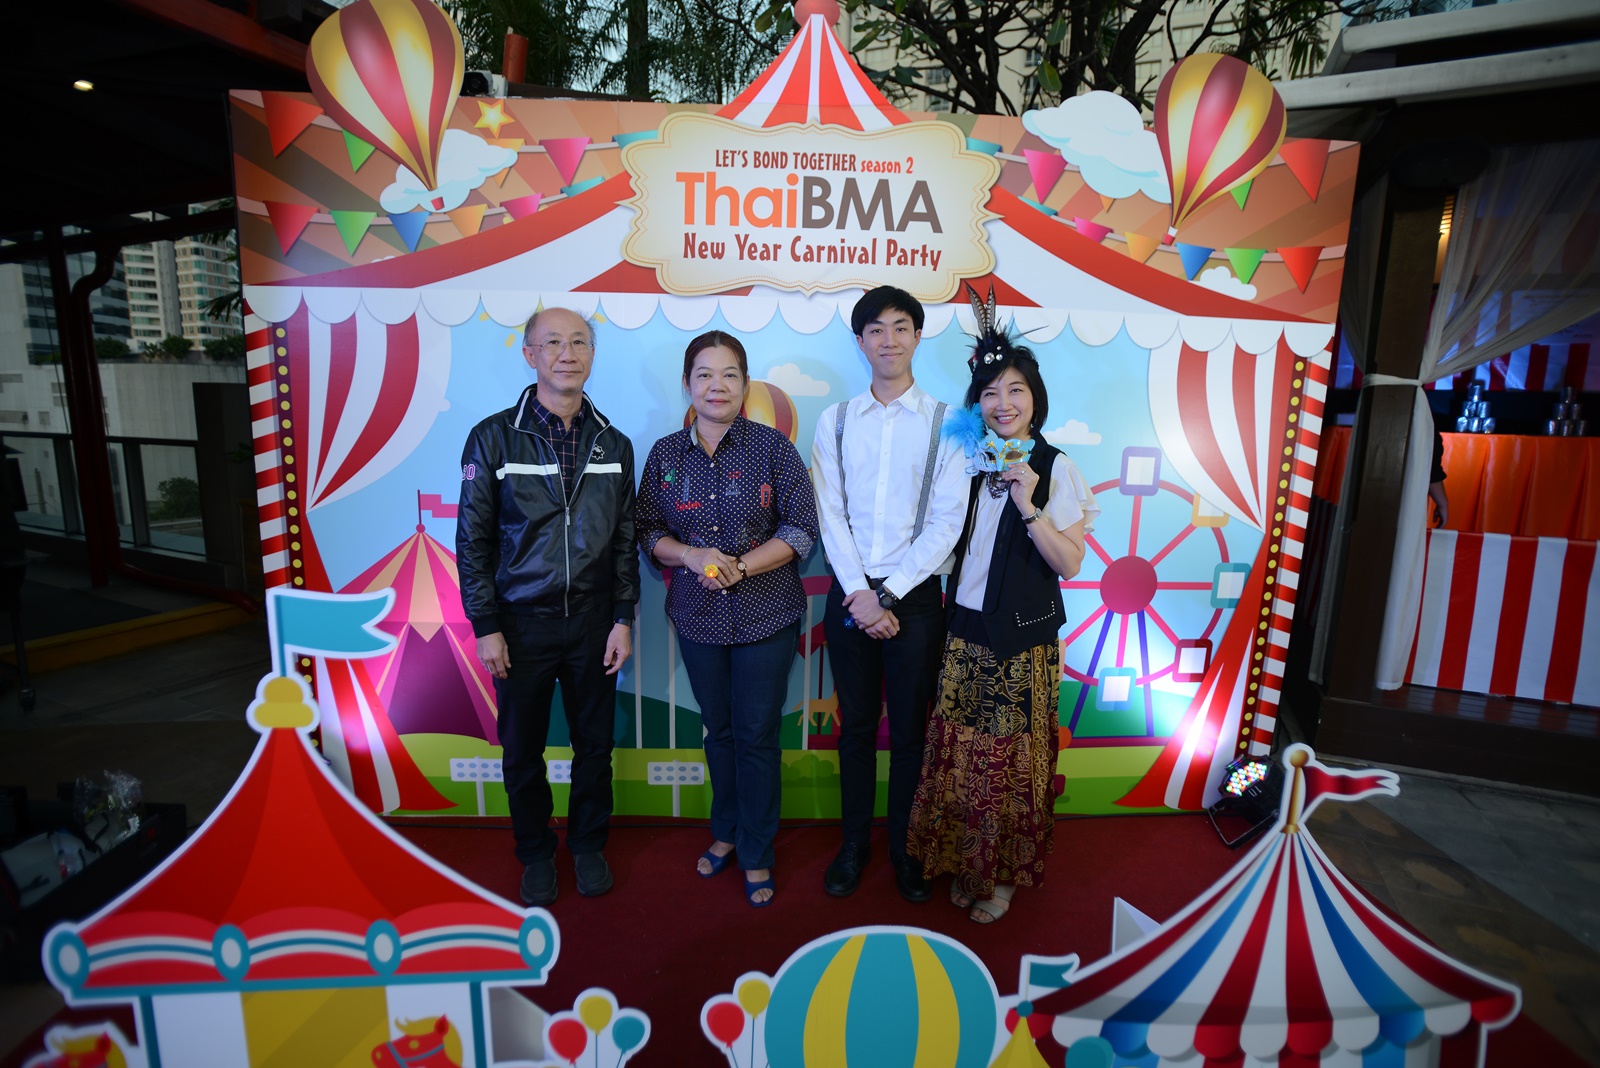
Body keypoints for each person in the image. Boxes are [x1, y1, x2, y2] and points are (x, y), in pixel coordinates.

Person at [907, 310, 1098, 924]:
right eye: (990, 393)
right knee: (961, 754)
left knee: (1012, 763)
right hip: (963, 630)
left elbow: (1070, 563)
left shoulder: (1056, 467)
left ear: (1035, 399)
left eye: (1016, 390)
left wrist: (1028, 503)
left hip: (1022, 642)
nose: (1003, 403)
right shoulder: (970, 461)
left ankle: (1003, 877)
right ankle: (966, 864)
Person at [457, 307, 639, 907]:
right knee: (522, 751)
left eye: (579, 342)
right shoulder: (492, 437)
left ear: (593, 354)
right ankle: (535, 853)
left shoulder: (614, 443)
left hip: (593, 622)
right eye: (553, 342)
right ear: (529, 354)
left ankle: (587, 844)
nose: (568, 353)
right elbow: (473, 541)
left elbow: (624, 540)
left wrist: (623, 617)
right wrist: (486, 625)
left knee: (595, 747)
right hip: (519, 623)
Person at [635, 331, 819, 907]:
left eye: (730, 374)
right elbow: (647, 531)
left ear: (745, 383)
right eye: (705, 375)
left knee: (757, 736)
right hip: (697, 617)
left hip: (768, 616)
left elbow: (801, 530)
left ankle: (757, 850)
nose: (717, 386)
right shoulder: (665, 455)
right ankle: (727, 831)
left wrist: (741, 566)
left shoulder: (773, 448)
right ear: (687, 384)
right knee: (718, 732)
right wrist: (690, 555)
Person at [811, 286, 967, 902]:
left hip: (917, 600)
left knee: (909, 733)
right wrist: (860, 595)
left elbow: (947, 522)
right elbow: (830, 513)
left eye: (901, 327)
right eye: (875, 329)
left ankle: (905, 848)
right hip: (851, 596)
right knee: (854, 730)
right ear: (860, 342)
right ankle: (853, 846)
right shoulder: (835, 421)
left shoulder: (948, 423)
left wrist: (890, 595)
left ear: (918, 337)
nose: (889, 339)